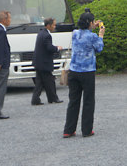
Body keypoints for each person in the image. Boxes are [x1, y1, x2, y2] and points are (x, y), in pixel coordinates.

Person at [63, 9, 104, 138]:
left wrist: (91, 25)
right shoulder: (92, 36)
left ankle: (68, 130)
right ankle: (86, 130)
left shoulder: (75, 33)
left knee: (73, 101)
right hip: (87, 71)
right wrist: (101, 34)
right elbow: (99, 48)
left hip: (74, 71)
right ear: (90, 23)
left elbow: (83, 31)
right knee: (88, 101)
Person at [31, 18, 63, 105]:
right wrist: (57, 48)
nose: (54, 26)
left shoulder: (41, 33)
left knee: (40, 83)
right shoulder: (47, 35)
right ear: (48, 25)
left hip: (38, 62)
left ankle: (36, 99)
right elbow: (49, 48)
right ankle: (53, 98)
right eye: (53, 25)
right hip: (44, 63)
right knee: (50, 81)